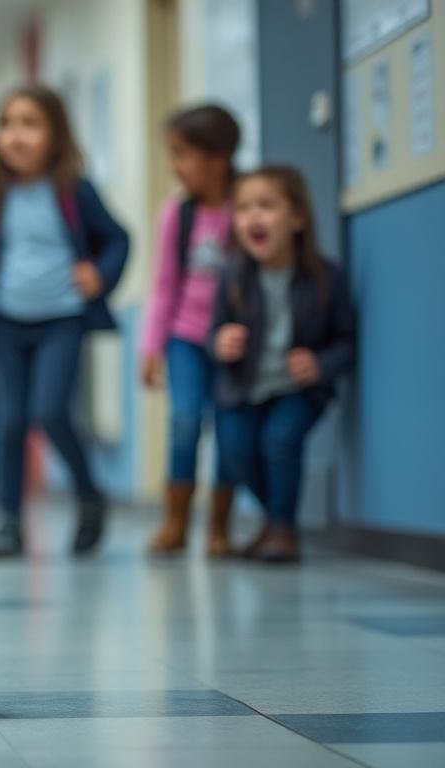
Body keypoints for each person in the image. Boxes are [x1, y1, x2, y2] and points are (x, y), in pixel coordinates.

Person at [0, 85, 130, 557]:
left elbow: (118, 239)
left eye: (30, 124)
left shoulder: (74, 190)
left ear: (55, 134)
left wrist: (101, 273)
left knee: (50, 412)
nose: (16, 136)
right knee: (10, 422)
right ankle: (10, 522)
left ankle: (90, 495)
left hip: (62, 319)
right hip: (7, 323)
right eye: (7, 124)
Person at [213, 166, 355, 563]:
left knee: (279, 443)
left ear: (297, 217)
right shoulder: (233, 277)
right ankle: (273, 522)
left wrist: (321, 364)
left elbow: (346, 340)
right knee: (237, 452)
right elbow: (213, 334)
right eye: (242, 208)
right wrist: (220, 342)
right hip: (244, 386)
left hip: (298, 388)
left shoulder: (327, 277)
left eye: (266, 205)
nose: (253, 217)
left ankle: (282, 529)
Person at [142, 104, 243, 556]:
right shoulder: (177, 216)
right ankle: (176, 522)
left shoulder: (248, 208)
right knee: (185, 422)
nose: (174, 165)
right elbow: (165, 285)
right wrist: (152, 347)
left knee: (228, 427)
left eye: (182, 154)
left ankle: (220, 527)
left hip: (234, 342)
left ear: (218, 158)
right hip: (186, 336)